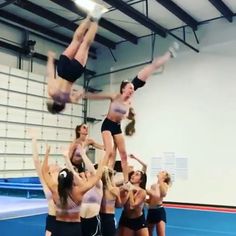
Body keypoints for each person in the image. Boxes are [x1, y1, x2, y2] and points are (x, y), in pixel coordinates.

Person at [82, 43, 179, 183]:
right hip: (107, 125)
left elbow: (126, 113)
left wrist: (130, 116)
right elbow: (97, 97)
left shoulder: (130, 100)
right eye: (129, 88)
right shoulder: (115, 96)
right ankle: (99, 176)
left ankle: (127, 183)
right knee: (109, 151)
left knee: (123, 155)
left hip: (117, 126)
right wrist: (82, 95)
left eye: (133, 89)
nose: (132, 90)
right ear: (123, 89)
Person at [46, 5, 108, 114]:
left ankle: (96, 17)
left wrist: (75, 93)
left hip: (72, 74)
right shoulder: (52, 92)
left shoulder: (69, 100)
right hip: (62, 70)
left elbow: (82, 92)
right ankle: (89, 16)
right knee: (76, 40)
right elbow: (50, 74)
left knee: (85, 44)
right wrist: (50, 59)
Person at [41, 143, 105, 236]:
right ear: (72, 181)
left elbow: (44, 172)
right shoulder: (78, 192)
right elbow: (97, 176)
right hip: (73, 229)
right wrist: (102, 159)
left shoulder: (55, 191)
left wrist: (47, 152)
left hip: (58, 228)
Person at [30, 135, 60, 236]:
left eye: (55, 165)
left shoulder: (64, 181)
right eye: (50, 166)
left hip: (64, 219)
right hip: (52, 219)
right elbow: (36, 162)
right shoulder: (46, 182)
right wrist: (34, 140)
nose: (53, 165)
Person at [118, 170, 148, 236]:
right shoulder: (126, 189)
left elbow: (132, 206)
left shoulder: (142, 191)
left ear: (140, 180)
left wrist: (130, 190)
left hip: (139, 221)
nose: (133, 175)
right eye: (133, 174)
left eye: (136, 174)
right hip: (128, 221)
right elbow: (120, 205)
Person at [146, 171, 172, 236]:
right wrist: (144, 199)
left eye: (163, 172)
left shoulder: (164, 184)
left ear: (165, 176)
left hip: (159, 211)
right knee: (149, 233)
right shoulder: (153, 185)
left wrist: (160, 180)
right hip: (151, 211)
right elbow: (150, 199)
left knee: (160, 234)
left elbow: (163, 194)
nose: (160, 172)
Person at [100, 167, 122, 236]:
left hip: (99, 216)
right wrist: (117, 196)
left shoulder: (98, 188)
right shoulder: (115, 189)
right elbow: (119, 205)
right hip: (109, 218)